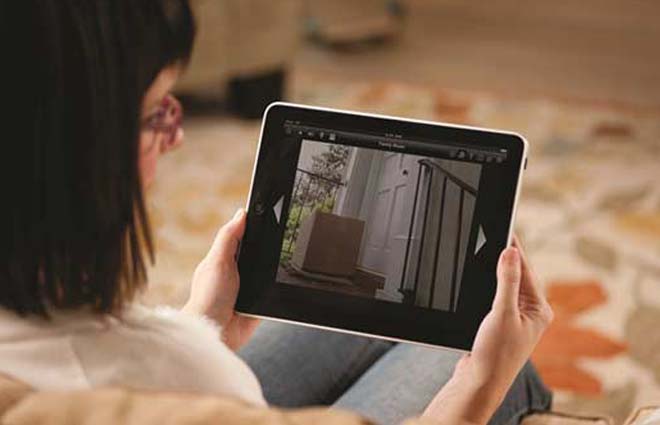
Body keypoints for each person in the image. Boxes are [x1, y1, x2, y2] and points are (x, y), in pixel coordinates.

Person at [0, 1, 554, 424]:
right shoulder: (188, 375)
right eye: (154, 115)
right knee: (474, 357)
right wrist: (479, 386)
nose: (175, 137)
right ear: (76, 156)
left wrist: (202, 323)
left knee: (385, 321)